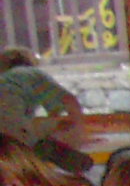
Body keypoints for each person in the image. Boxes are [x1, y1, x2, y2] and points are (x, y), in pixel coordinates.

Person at [0, 47, 91, 175]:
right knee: (29, 144)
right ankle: (49, 152)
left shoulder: (6, 79)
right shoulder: (32, 74)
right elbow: (70, 101)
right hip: (13, 120)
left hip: (8, 130)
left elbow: (53, 113)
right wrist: (79, 133)